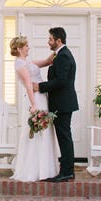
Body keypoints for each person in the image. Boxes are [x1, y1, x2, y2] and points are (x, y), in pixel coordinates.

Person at [9, 35, 59, 182]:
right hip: (35, 99)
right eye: (26, 46)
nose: (28, 47)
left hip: (42, 98)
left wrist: (56, 51)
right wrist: (34, 105)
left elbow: (46, 62)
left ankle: (45, 169)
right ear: (19, 48)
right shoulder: (20, 64)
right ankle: (33, 170)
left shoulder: (27, 62)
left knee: (45, 133)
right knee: (36, 134)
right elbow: (28, 85)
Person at [34, 26, 79, 182]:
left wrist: (39, 87)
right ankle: (67, 170)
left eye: (50, 39)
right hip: (62, 103)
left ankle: (67, 172)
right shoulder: (60, 55)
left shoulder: (64, 56)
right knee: (63, 137)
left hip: (63, 104)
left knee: (64, 138)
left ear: (58, 40)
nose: (48, 42)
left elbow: (61, 81)